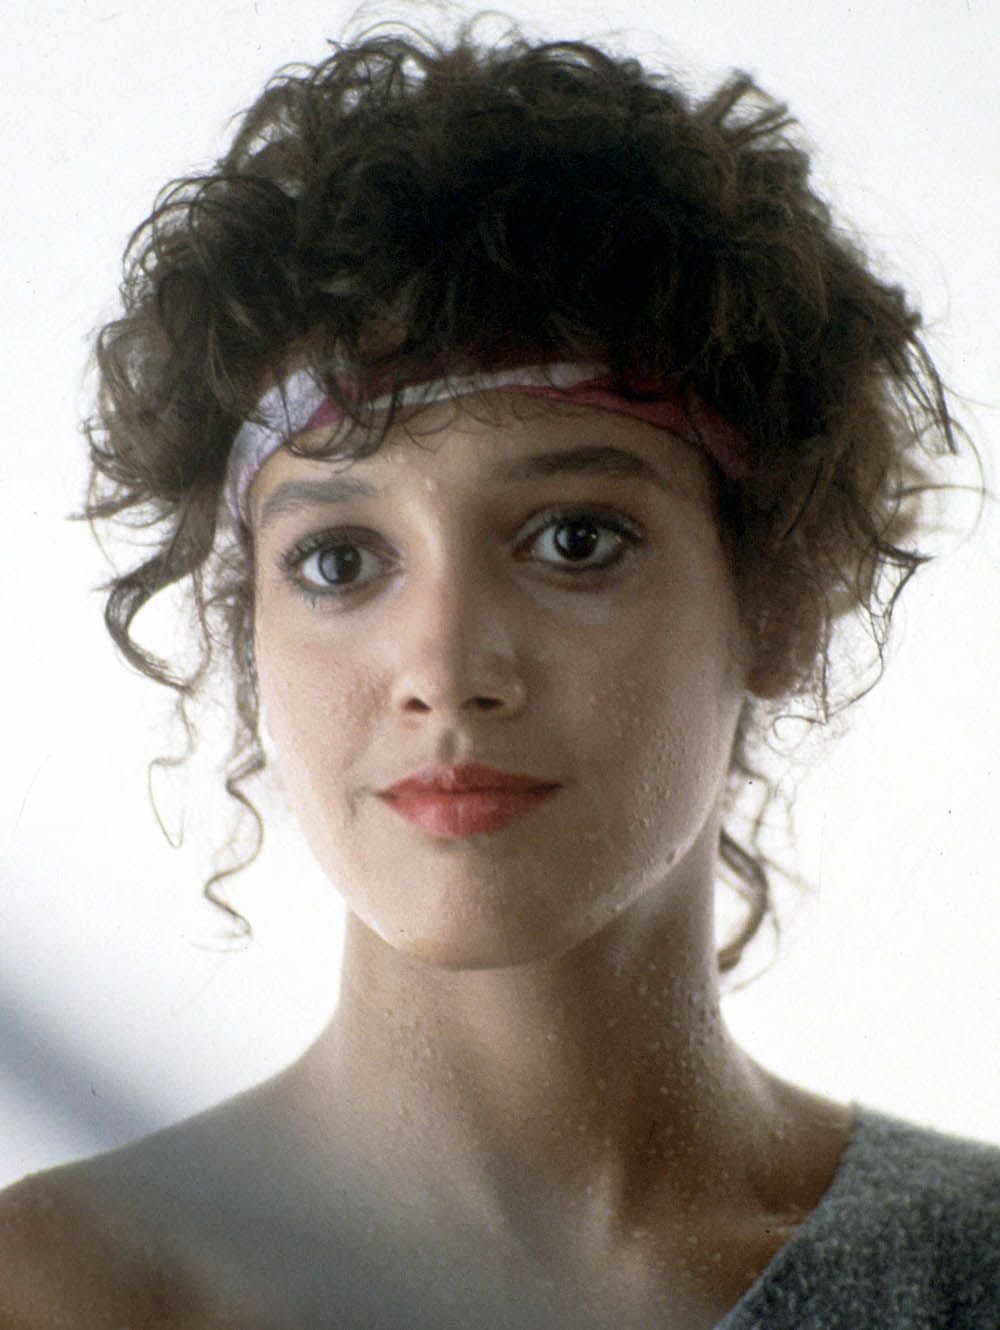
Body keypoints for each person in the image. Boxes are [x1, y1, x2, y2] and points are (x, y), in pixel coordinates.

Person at [1, 19, 996, 1329]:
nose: (445, 669)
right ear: (248, 633)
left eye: (575, 539)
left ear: (780, 598)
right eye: (341, 559)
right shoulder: (54, 1290)